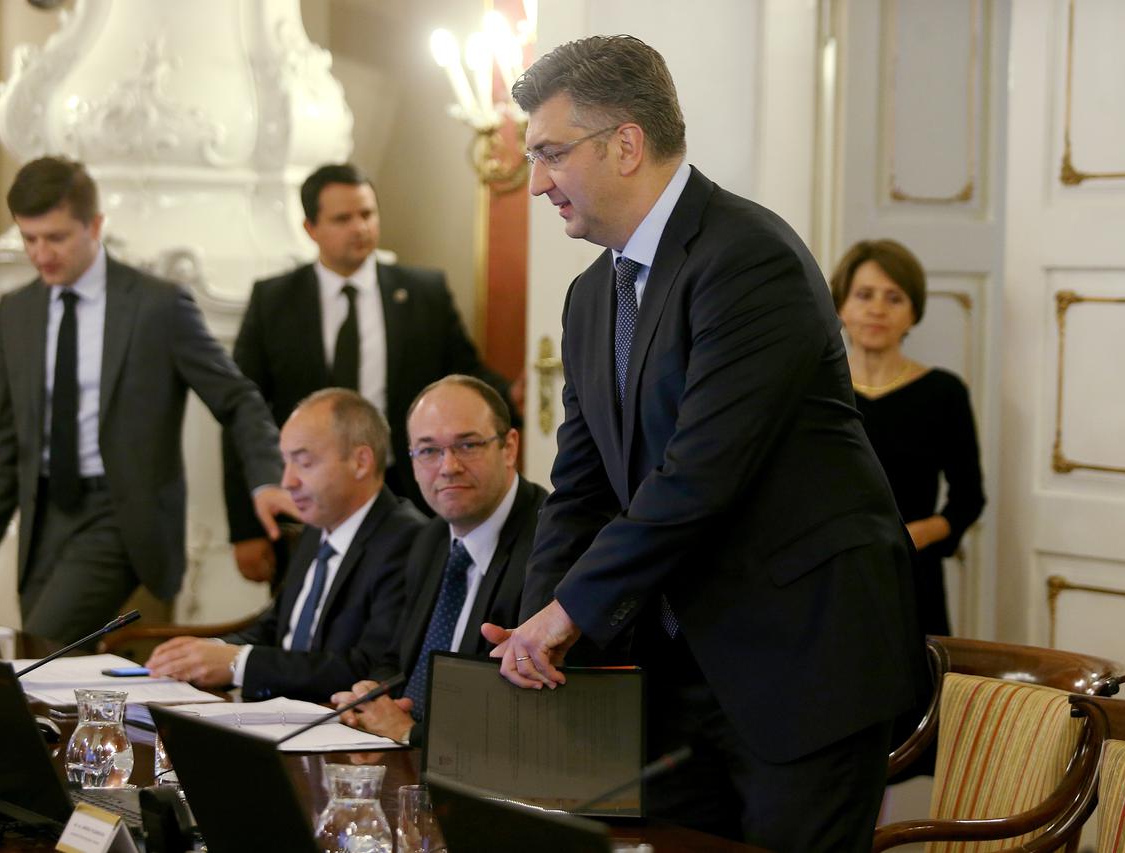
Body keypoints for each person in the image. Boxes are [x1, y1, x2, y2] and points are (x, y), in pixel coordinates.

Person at [484, 36, 927, 851]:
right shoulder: (590, 296)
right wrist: (537, 628)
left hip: (800, 662)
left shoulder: (750, 259)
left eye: (550, 153)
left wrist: (569, 613)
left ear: (625, 144)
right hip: (668, 675)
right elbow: (580, 487)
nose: (538, 181)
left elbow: (699, 476)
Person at [0, 156, 294, 645]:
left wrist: (266, 479)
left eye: (56, 238)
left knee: (43, 644)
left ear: (95, 225)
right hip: (43, 516)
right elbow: (10, 438)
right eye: (30, 239)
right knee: (51, 660)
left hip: (121, 513)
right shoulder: (16, 312)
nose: (41, 255)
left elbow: (238, 398)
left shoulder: (158, 306)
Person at [222, 163, 517, 584]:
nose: (360, 228)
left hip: (406, 491)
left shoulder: (423, 292)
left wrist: (514, 397)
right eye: (343, 219)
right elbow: (243, 413)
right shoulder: (274, 301)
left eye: (367, 214)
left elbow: (467, 374)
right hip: (308, 502)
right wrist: (245, 530)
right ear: (311, 228)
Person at [145, 389, 425, 701]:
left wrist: (239, 664)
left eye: (304, 462)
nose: (287, 481)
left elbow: (369, 669)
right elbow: (275, 627)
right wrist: (209, 653)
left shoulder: (407, 541)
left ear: (361, 462)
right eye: (285, 462)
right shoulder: (317, 528)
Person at [331, 375, 546, 747]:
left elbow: (527, 709)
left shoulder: (548, 545)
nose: (448, 466)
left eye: (467, 445)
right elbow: (398, 658)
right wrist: (373, 694)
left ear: (509, 447)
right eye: (428, 450)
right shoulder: (430, 539)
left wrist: (410, 733)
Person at [830, 239, 985, 637]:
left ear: (913, 312)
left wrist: (915, 536)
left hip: (912, 578)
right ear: (840, 306)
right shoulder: (813, 390)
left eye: (894, 298)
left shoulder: (945, 393)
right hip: (829, 578)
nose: (877, 309)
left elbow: (969, 498)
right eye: (864, 295)